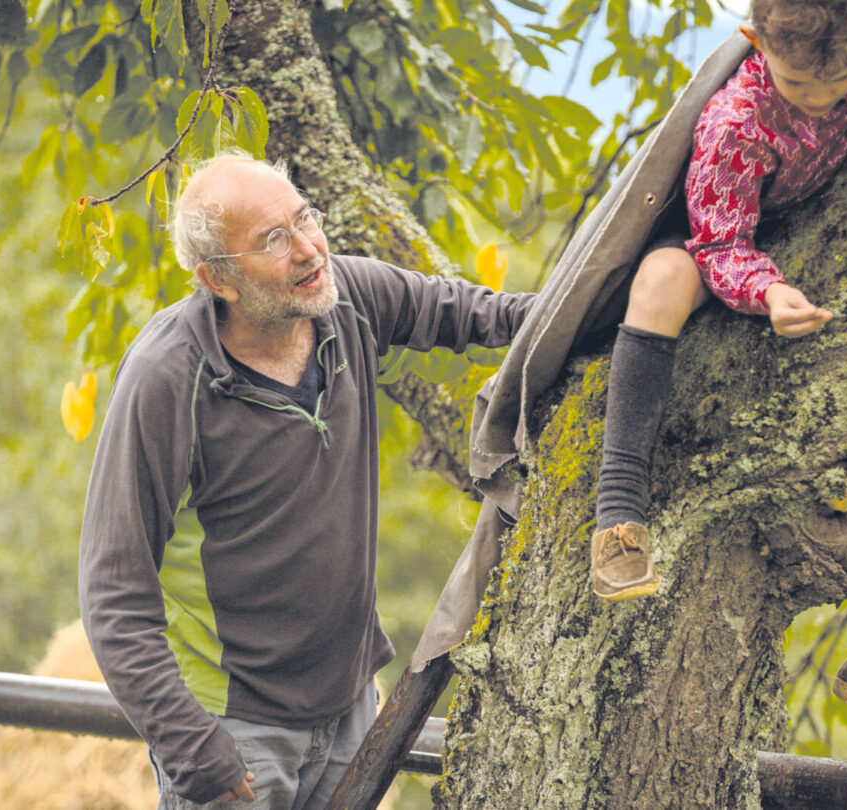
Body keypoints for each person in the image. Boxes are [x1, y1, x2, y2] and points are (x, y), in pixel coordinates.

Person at [584, 0, 847, 759]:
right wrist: (766, 291)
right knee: (663, 277)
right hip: (722, 244)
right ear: (755, 40)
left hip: (811, 245)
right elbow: (720, 237)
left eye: (837, 83)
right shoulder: (738, 120)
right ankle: (617, 517)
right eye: (798, 83)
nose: (819, 99)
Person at [78, 152, 536, 808]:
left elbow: (478, 314)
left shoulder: (348, 301)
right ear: (219, 279)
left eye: (304, 219)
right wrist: (193, 747)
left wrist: (623, 310)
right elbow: (113, 593)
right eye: (273, 240)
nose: (308, 249)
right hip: (235, 734)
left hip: (351, 711)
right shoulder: (166, 379)